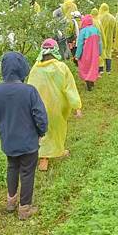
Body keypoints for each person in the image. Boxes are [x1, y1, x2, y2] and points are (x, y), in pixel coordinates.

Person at [0, 52, 48, 220]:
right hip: (28, 142)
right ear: (22, 69)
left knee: (12, 167)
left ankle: (11, 201)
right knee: (27, 172)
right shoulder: (29, 91)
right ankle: (24, 208)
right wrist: (41, 132)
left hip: (8, 140)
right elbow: (40, 116)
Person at [28, 39, 82, 171]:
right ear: (56, 51)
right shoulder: (61, 67)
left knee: (42, 131)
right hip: (58, 107)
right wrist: (77, 107)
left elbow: (29, 88)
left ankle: (43, 159)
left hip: (39, 107)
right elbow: (70, 88)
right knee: (57, 130)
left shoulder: (35, 69)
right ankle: (58, 151)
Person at [75, 15, 102, 91]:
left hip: (85, 53)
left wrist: (77, 55)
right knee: (93, 66)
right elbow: (99, 42)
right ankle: (92, 82)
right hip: (94, 53)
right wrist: (100, 51)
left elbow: (80, 44)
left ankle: (88, 84)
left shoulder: (83, 31)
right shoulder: (96, 29)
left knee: (85, 68)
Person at [97, 3, 116, 74]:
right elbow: (115, 28)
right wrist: (114, 37)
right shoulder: (112, 17)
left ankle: (101, 69)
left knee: (101, 52)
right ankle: (108, 70)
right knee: (108, 52)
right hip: (109, 37)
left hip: (101, 38)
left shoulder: (99, 18)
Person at [90, 8, 106, 73]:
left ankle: (96, 69)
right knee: (100, 54)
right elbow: (102, 31)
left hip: (94, 40)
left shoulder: (92, 21)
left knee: (95, 54)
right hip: (100, 39)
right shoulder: (98, 20)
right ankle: (101, 69)